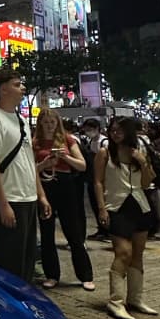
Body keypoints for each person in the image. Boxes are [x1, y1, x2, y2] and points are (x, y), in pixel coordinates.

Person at [0, 70, 50, 281]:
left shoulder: (20, 120)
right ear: (3, 90)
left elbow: (29, 161)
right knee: (8, 264)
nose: (23, 88)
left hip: (28, 199)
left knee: (26, 261)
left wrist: (41, 195)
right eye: (18, 84)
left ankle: (24, 305)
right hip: (10, 200)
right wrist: (2, 203)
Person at [93, 118, 157, 319]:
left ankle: (135, 299)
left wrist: (143, 162)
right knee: (123, 253)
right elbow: (97, 181)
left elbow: (147, 183)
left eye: (119, 130)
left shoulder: (138, 152)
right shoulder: (105, 153)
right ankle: (116, 302)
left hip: (139, 205)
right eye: (112, 130)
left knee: (137, 254)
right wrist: (101, 208)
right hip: (115, 206)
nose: (115, 134)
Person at [32, 108, 94, 292]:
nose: (49, 125)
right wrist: (45, 163)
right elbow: (31, 169)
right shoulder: (35, 143)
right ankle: (52, 275)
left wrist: (64, 156)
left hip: (66, 185)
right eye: (46, 122)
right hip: (45, 185)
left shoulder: (67, 139)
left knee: (73, 232)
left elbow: (82, 165)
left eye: (52, 122)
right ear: (40, 124)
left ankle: (85, 275)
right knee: (47, 233)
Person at [79, 118, 109, 241]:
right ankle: (101, 228)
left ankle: (107, 229)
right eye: (86, 129)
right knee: (94, 204)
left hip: (103, 179)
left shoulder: (104, 142)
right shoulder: (90, 141)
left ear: (98, 129)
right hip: (92, 178)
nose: (88, 131)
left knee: (103, 204)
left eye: (91, 129)